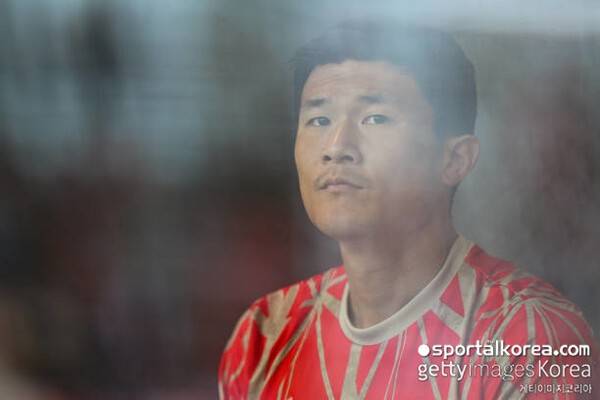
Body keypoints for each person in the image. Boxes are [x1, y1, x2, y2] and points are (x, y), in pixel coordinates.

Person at [218, 21, 598, 399]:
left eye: (375, 118)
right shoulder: (265, 337)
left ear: (455, 159)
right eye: (319, 120)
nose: (336, 146)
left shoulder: (529, 337)